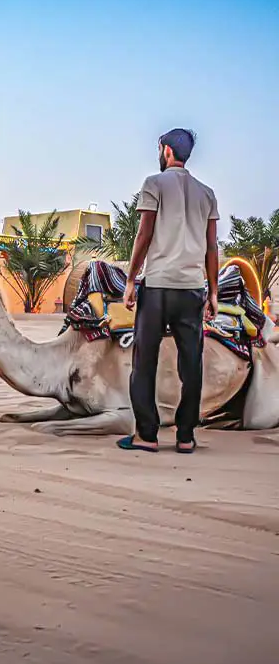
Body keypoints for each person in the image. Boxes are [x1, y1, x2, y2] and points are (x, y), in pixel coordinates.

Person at [118, 128, 219, 455]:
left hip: (158, 286)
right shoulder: (207, 193)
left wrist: (131, 279)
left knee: (144, 361)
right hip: (192, 289)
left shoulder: (154, 184)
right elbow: (212, 247)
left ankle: (146, 435)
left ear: (165, 150)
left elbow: (144, 234)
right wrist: (214, 293)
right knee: (191, 365)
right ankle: (186, 436)